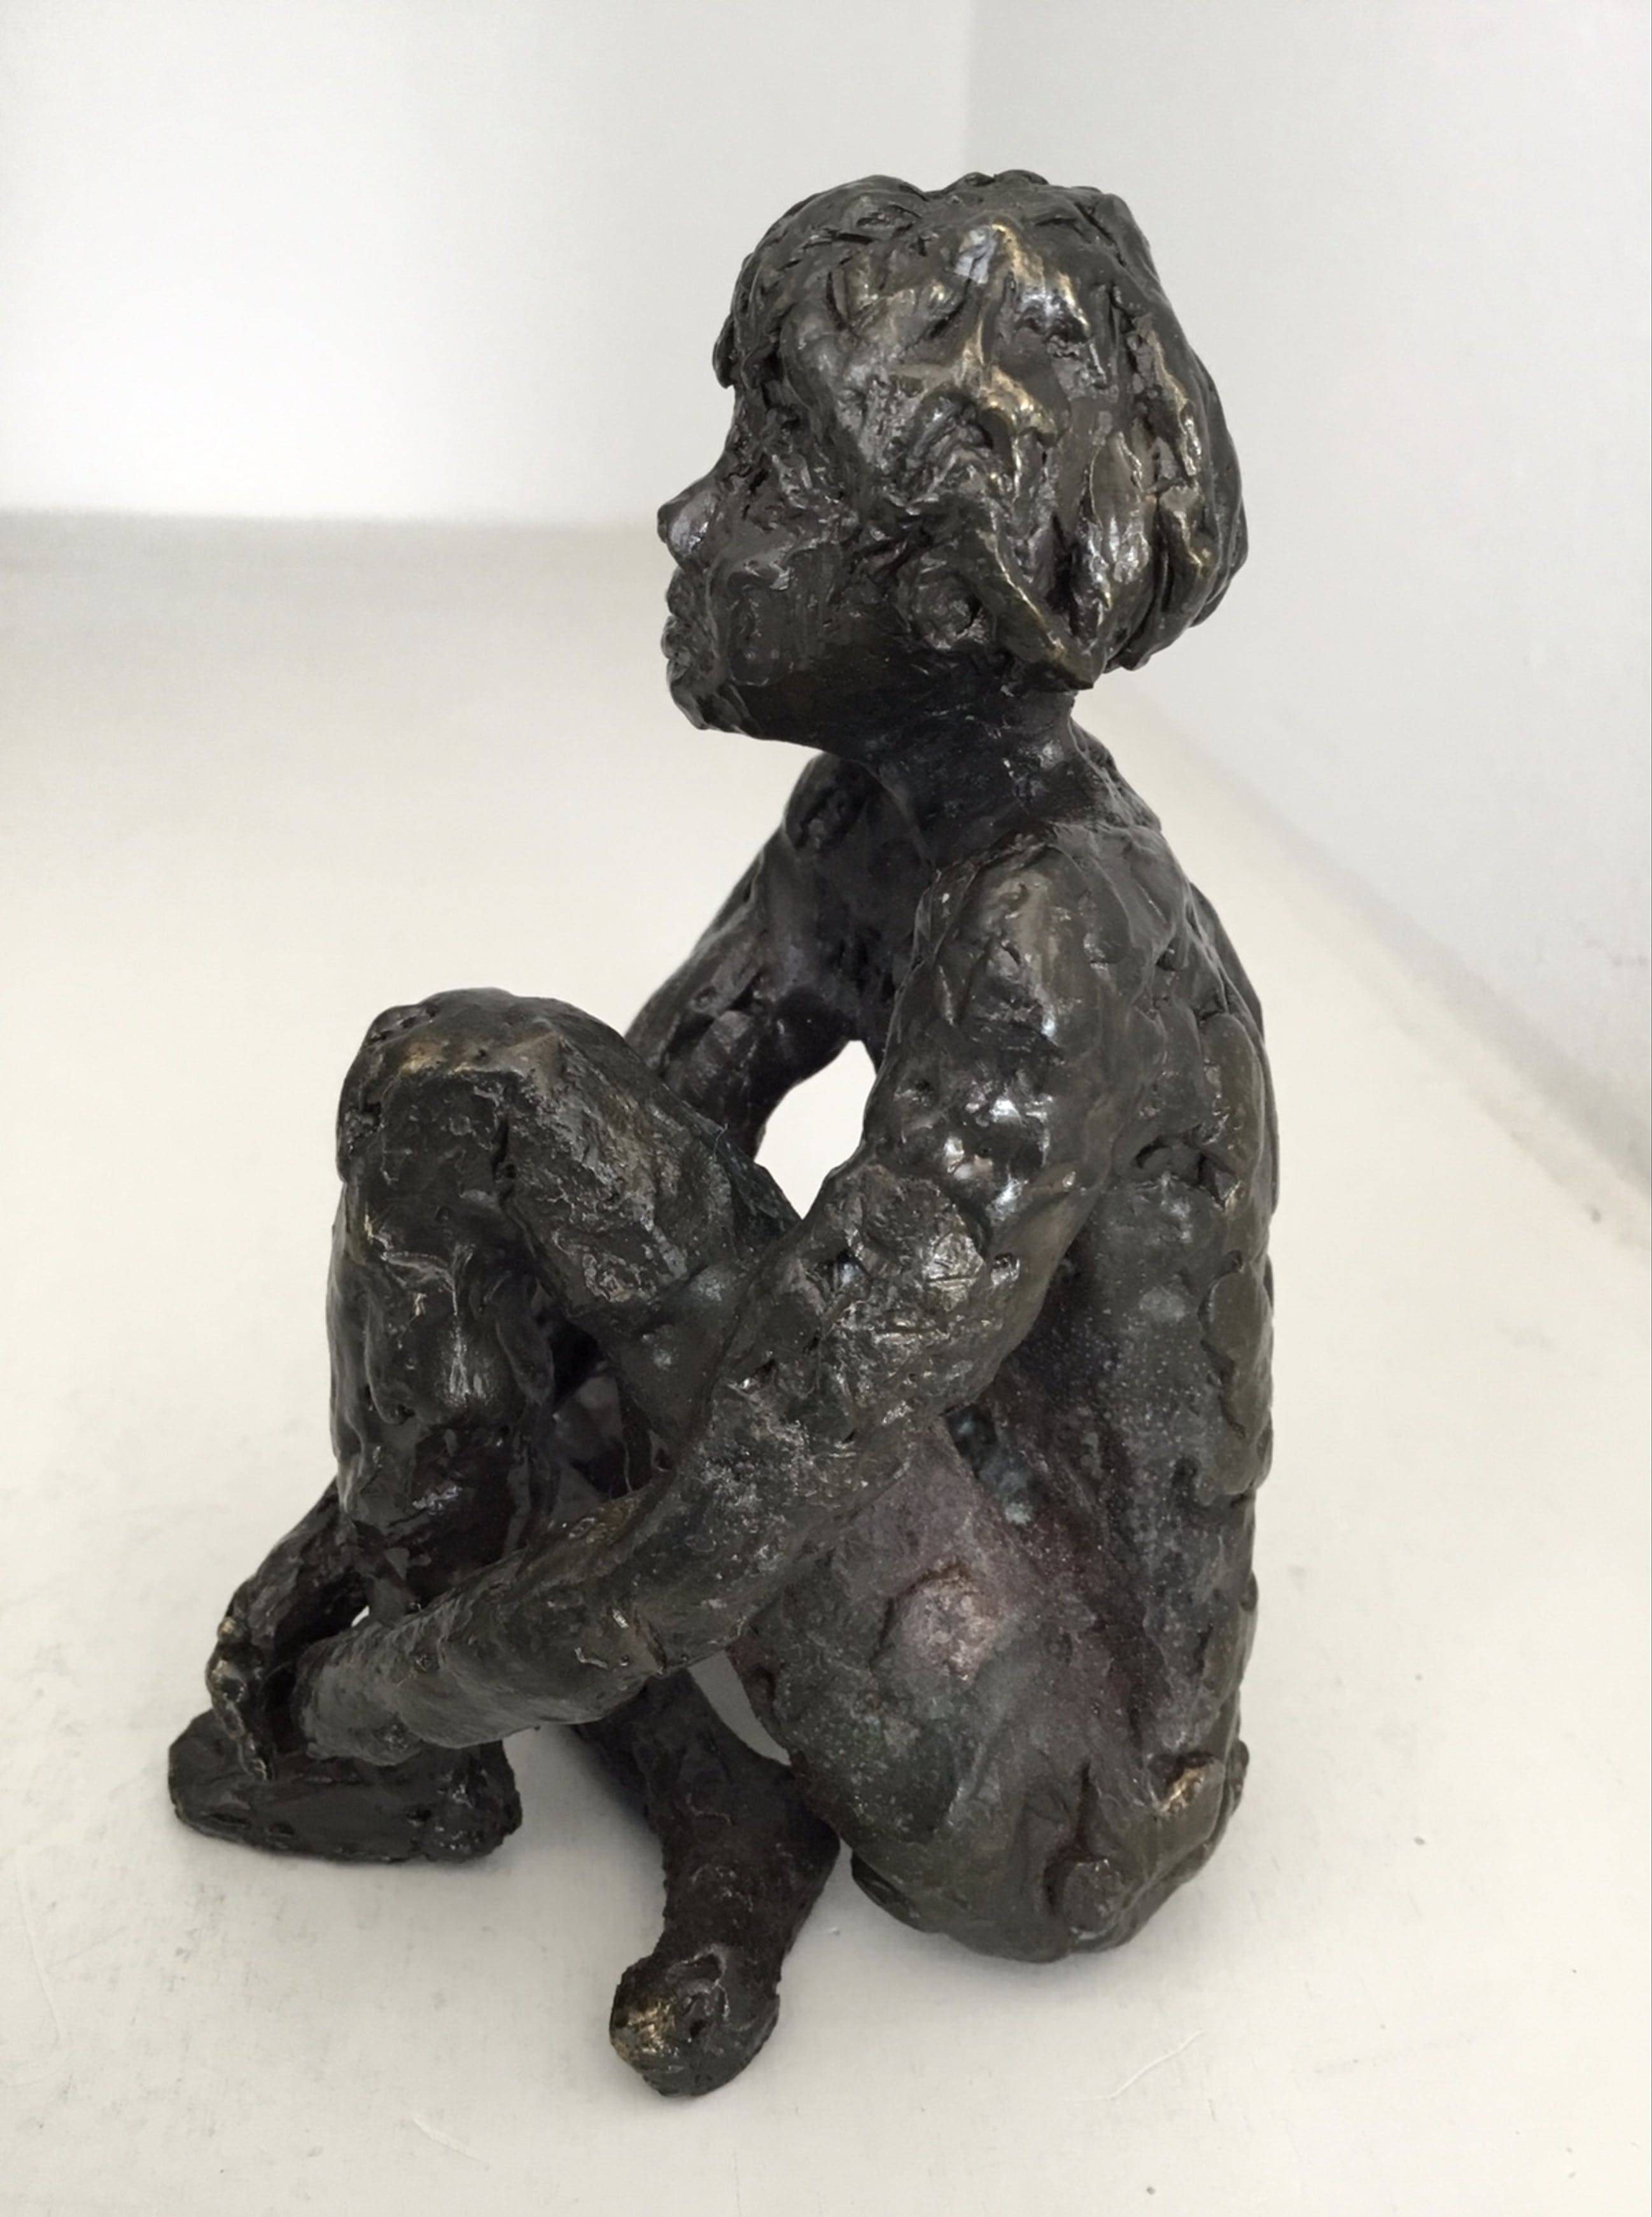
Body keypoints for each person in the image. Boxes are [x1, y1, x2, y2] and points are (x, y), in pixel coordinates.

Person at [171, 171, 1272, 2099]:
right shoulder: (877, 821)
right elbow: (611, 1207)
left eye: (772, 473)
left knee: (475, 1091)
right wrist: (334, 1554)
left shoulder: (1052, 938)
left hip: (1056, 1793)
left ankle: (408, 1765)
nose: (693, 519)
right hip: (932, 1567)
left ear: (942, 599)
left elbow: (726, 1522)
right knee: (493, 1164)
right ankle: (726, 1818)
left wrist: (376, 1679)